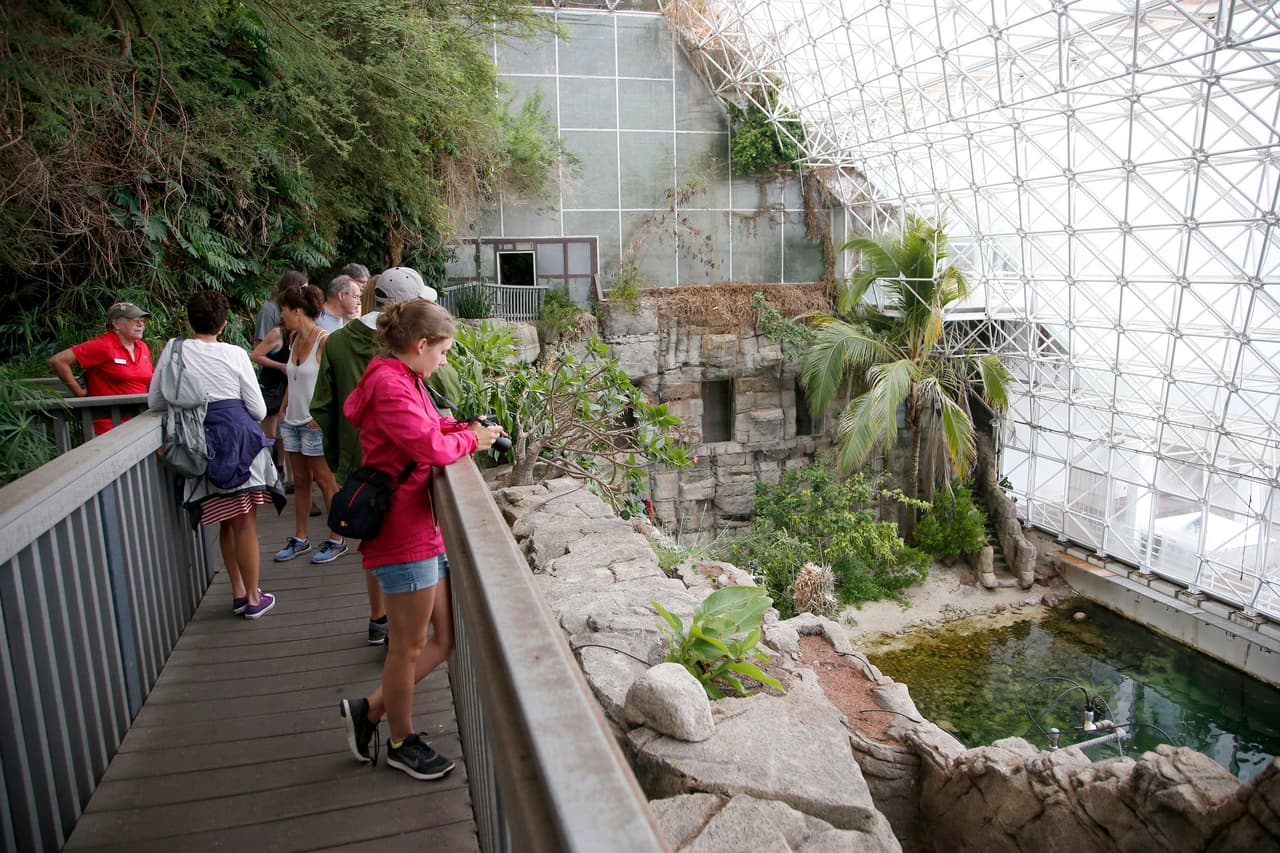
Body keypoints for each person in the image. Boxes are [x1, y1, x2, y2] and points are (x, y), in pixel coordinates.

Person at [338, 299, 502, 780]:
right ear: (421, 344)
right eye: (443, 352)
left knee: (444, 637)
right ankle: (399, 740)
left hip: (422, 524)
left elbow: (429, 429)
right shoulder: (389, 383)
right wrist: (473, 441)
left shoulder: (403, 377)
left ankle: (368, 710)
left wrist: (466, 428)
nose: (445, 361)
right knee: (407, 646)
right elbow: (428, 447)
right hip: (401, 528)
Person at [311, 267, 438, 644]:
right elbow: (449, 393)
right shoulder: (417, 343)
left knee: (372, 538)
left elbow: (324, 406)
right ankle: (409, 630)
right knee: (409, 542)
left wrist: (338, 461)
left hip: (358, 462)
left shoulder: (336, 343)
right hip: (408, 461)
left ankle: (379, 618)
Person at [149, 290, 284, 619]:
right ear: (223, 324)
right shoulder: (235, 353)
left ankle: (238, 592)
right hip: (238, 441)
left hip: (200, 442)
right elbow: (257, 408)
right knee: (245, 523)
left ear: (189, 320)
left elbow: (155, 400)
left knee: (226, 520)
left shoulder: (173, 349)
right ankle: (254, 598)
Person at [271, 284, 348, 565]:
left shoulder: (324, 341)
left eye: (284, 310)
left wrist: (323, 418)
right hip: (291, 421)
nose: (282, 315)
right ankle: (301, 537)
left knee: (326, 482)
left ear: (297, 310)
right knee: (301, 482)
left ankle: (336, 538)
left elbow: (337, 385)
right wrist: (283, 408)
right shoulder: (293, 340)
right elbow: (293, 379)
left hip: (314, 423)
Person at [50, 302, 154, 435]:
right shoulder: (103, 346)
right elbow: (58, 360)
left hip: (141, 422)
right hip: (111, 426)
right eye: (135, 321)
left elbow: (149, 380)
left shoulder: (142, 347)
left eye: (142, 321)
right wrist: (78, 392)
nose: (141, 324)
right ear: (116, 324)